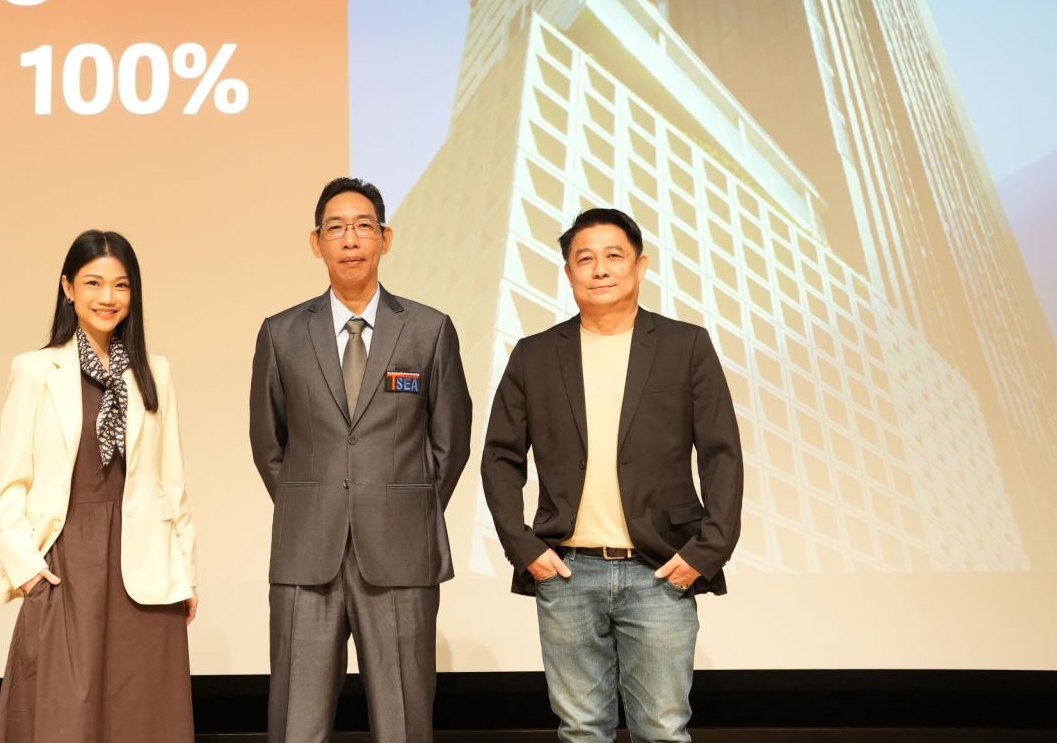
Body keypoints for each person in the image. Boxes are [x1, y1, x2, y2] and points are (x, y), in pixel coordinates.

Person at [480, 207, 742, 743]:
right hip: (567, 571)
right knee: (581, 730)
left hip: (660, 568)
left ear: (640, 265)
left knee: (663, 730)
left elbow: (722, 454)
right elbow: (500, 456)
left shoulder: (686, 345)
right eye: (585, 259)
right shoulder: (534, 355)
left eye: (614, 256)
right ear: (569, 272)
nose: (600, 269)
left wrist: (707, 551)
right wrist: (523, 547)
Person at [249, 177, 473, 743]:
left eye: (362, 226)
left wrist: (404, 507)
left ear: (385, 238)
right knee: (296, 724)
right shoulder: (281, 334)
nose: (350, 239)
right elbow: (268, 444)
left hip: (401, 554)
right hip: (307, 553)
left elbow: (450, 443)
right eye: (336, 228)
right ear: (316, 242)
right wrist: (315, 501)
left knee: (403, 724)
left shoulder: (429, 330)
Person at [0, 229, 198, 742]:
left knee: (142, 718)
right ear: (68, 288)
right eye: (94, 283)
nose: (108, 297)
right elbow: (11, 485)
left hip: (144, 566)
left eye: (121, 285)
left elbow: (171, 482)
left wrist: (185, 571)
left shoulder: (154, 372)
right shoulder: (35, 370)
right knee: (66, 718)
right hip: (67, 566)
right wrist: (28, 571)